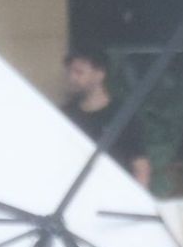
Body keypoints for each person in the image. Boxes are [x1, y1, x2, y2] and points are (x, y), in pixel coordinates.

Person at [61, 47, 151, 187]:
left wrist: (133, 198)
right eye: (70, 72)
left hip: (113, 191)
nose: (72, 78)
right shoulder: (66, 114)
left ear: (99, 75)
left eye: (79, 72)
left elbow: (140, 167)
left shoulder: (123, 114)